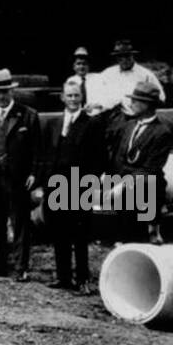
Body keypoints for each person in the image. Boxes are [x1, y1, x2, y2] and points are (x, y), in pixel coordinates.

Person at [39, 76, 104, 292]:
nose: (73, 99)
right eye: (69, 96)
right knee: (59, 233)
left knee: (80, 235)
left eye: (77, 96)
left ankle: (83, 280)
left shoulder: (91, 124)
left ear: (82, 98)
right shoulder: (54, 123)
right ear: (62, 98)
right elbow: (46, 155)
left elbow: (99, 158)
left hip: (80, 187)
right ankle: (63, 277)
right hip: (56, 187)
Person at [0, 68, 40, 280]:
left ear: (11, 91)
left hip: (17, 178)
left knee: (19, 223)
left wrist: (34, 173)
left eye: (4, 91)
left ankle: (21, 267)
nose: (1, 96)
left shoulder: (27, 115)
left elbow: (37, 150)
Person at [108, 79, 173, 244]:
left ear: (149, 105)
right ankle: (124, 240)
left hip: (144, 187)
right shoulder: (128, 126)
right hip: (123, 184)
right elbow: (118, 158)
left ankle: (151, 230)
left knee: (148, 186)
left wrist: (122, 185)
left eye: (136, 101)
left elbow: (151, 169)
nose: (132, 103)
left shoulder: (161, 133)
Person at [87, 39, 164, 115]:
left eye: (127, 56)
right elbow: (98, 94)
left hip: (138, 116)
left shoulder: (145, 74)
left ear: (132, 55)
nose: (124, 60)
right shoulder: (108, 74)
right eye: (120, 57)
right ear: (116, 58)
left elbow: (161, 97)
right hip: (112, 116)